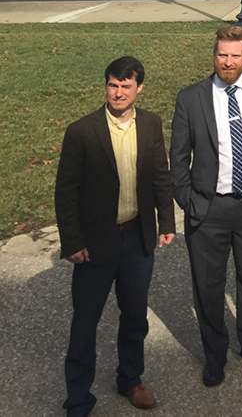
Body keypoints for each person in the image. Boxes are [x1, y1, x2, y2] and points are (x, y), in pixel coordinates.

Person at [55, 56, 175, 417]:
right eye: (113, 85)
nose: (118, 92)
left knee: (135, 315)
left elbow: (160, 177)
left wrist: (166, 222)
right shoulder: (82, 131)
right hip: (95, 244)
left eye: (126, 86)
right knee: (85, 322)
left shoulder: (151, 124)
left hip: (137, 239)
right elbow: (66, 192)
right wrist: (73, 242)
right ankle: (78, 397)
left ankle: (130, 379)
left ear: (139, 88)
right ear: (105, 86)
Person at [170, 27, 242, 387]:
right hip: (208, 210)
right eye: (222, 55)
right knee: (209, 287)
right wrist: (190, 201)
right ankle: (215, 355)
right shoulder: (191, 98)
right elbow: (177, 159)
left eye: (235, 56)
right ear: (213, 56)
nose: (228, 62)